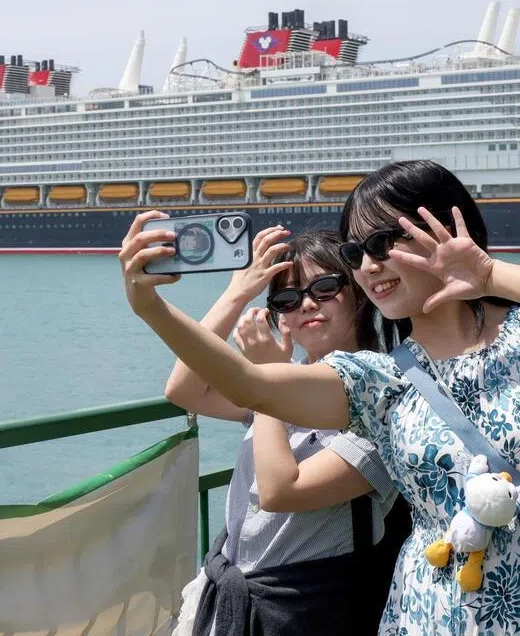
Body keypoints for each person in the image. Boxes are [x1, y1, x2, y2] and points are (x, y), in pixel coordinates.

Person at [121, 160, 520, 635]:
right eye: (355, 252)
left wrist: (487, 274)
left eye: (383, 242)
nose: (368, 264)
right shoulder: (379, 378)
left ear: (448, 227)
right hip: (431, 613)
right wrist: (151, 308)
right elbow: (247, 386)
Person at [164, 226, 405, 636]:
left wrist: (263, 380)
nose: (306, 305)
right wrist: (236, 293)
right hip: (239, 600)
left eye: (325, 288)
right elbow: (184, 390)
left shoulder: (385, 395)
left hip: (310, 607)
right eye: (287, 299)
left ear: (361, 291)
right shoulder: (286, 382)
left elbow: (281, 492)